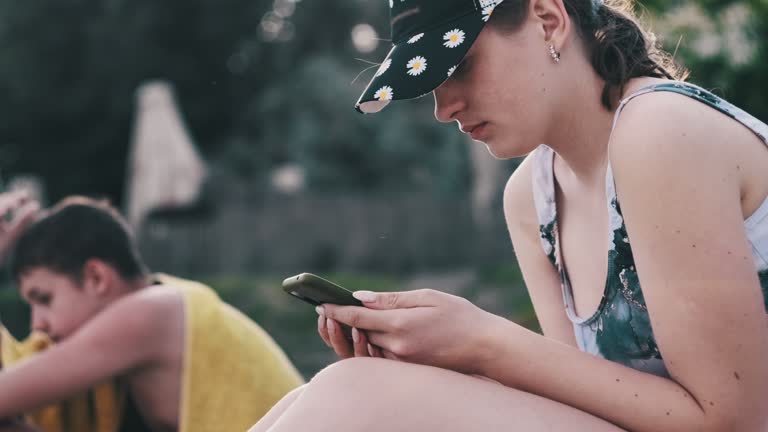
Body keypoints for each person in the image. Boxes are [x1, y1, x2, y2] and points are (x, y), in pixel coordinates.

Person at [249, 0, 768, 431]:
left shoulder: (662, 129)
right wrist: (443, 365)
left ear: (548, 19)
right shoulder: (531, 196)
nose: (443, 107)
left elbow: (734, 421)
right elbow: (589, 401)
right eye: (431, 80)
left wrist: (483, 342)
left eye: (460, 65)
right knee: (338, 390)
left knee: (355, 393)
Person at [0, 195, 304, 432]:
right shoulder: (157, 318)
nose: (38, 325)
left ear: (96, 277)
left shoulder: (153, 312)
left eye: (44, 299)